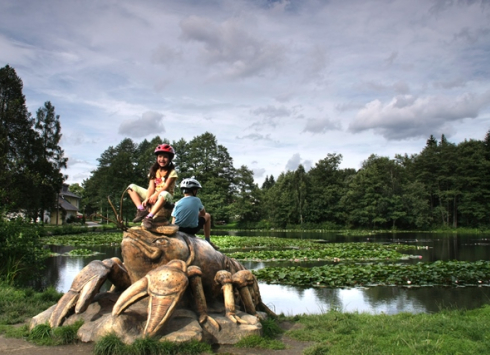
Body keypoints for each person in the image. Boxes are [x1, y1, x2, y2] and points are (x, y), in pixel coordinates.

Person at [127, 144, 178, 229]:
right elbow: (151, 187)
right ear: (157, 158)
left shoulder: (172, 172)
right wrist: (147, 198)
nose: (162, 159)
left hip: (165, 197)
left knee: (164, 193)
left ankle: (149, 217)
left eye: (165, 157)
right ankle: (141, 210)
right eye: (160, 156)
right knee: (131, 187)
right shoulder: (154, 171)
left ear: (170, 159)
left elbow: (166, 186)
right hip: (154, 195)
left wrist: (155, 195)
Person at [171, 177, 218, 250]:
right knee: (208, 215)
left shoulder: (177, 203)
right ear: (194, 191)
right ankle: (207, 240)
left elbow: (173, 220)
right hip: (192, 229)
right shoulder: (197, 200)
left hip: (179, 229)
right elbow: (203, 214)